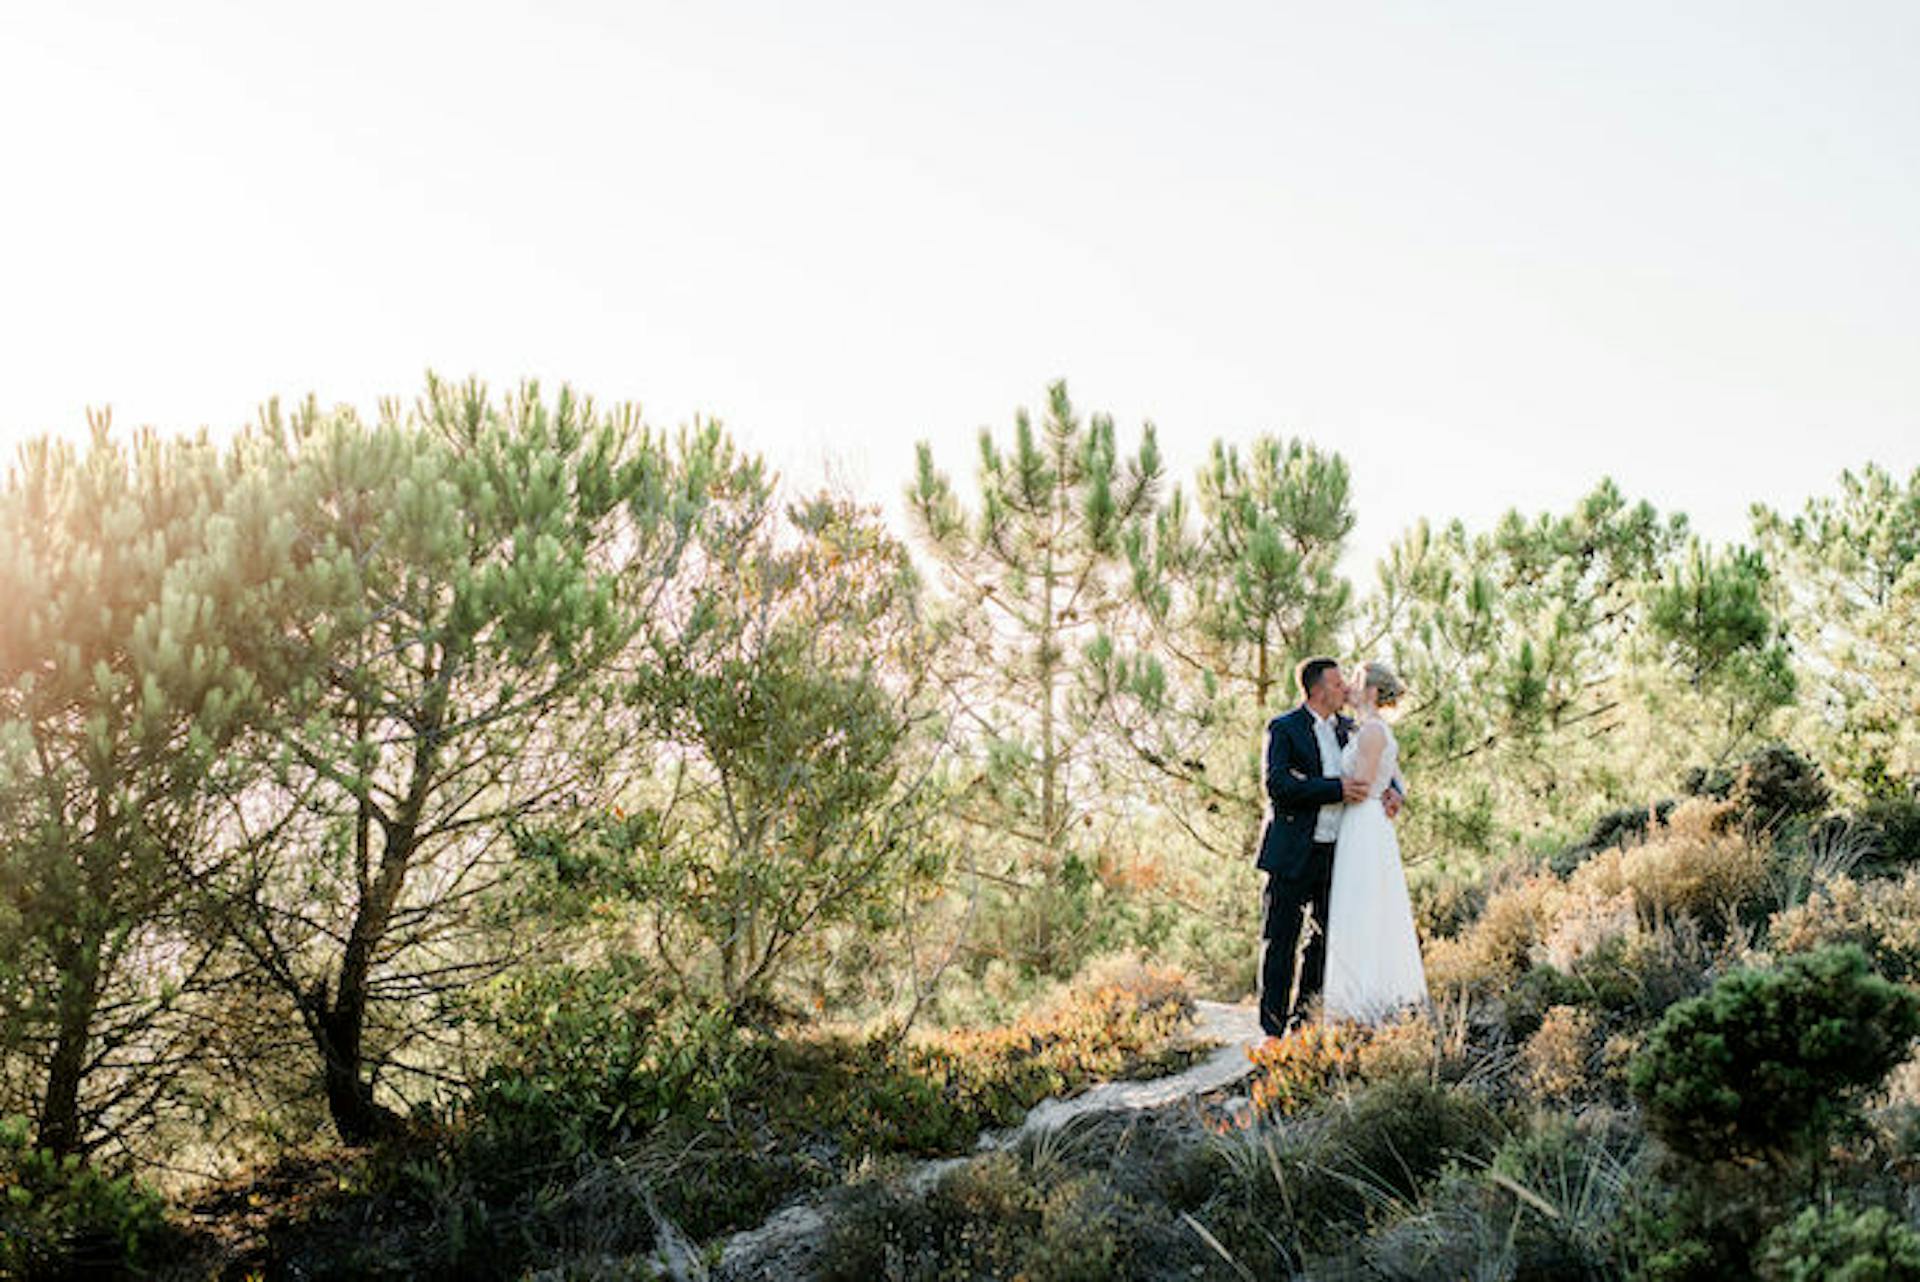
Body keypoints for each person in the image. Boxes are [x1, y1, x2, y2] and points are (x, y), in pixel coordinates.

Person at [1253, 657, 1399, 1037]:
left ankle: (1304, 1022)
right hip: (1292, 851)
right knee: (1280, 940)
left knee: (1323, 941)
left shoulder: (1351, 728)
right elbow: (1278, 785)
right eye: (1337, 684)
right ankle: (1272, 1029)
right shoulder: (1284, 728)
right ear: (1317, 690)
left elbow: (1381, 758)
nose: (1345, 689)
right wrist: (1334, 789)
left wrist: (1393, 790)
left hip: (1338, 853)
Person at [1322, 661, 1429, 1024]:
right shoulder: (1369, 728)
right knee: (1364, 906)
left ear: (1370, 690)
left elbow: (1362, 785)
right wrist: (1396, 790)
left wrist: (1319, 785)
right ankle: (1361, 1000)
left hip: (1363, 822)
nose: (1348, 687)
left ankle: (1364, 1003)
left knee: (1362, 908)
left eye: (1354, 681)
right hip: (1366, 823)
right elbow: (1399, 779)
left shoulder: (1371, 731)